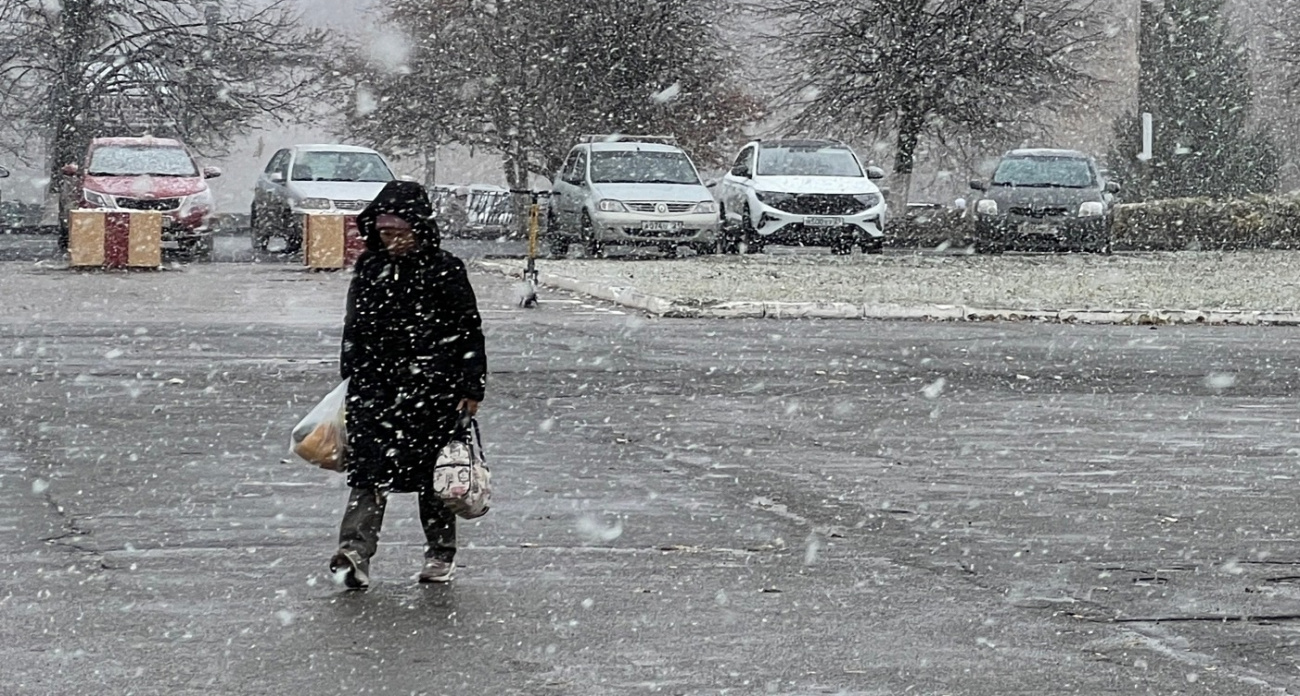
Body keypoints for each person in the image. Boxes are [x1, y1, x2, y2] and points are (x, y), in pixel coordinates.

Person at [330, 180, 487, 590]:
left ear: (419, 228)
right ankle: (354, 553)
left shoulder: (446, 269)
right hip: (375, 390)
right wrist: (352, 375)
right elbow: (355, 326)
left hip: (433, 393)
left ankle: (439, 554)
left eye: (399, 232)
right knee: (367, 475)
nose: (391, 240)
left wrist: (472, 387)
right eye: (384, 233)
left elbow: (469, 330)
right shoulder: (370, 267)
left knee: (435, 478)